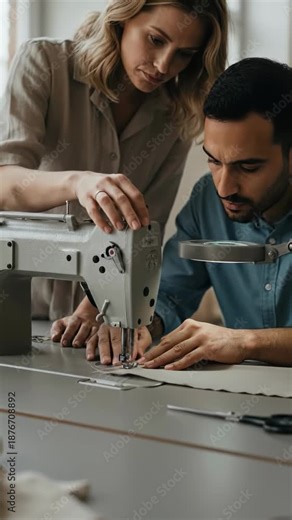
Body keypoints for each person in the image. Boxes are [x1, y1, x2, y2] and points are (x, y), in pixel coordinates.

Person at [0, 0, 228, 324]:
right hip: (17, 307)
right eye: (156, 40)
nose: (164, 65)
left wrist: (96, 306)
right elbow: (5, 185)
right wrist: (78, 184)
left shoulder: (177, 115)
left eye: (185, 54)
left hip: (99, 319)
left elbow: (145, 236)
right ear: (122, 18)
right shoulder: (45, 64)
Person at [67, 57, 292, 366]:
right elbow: (171, 291)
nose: (224, 187)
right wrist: (143, 324)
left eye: (248, 166)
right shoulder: (207, 200)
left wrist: (245, 341)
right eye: (214, 160)